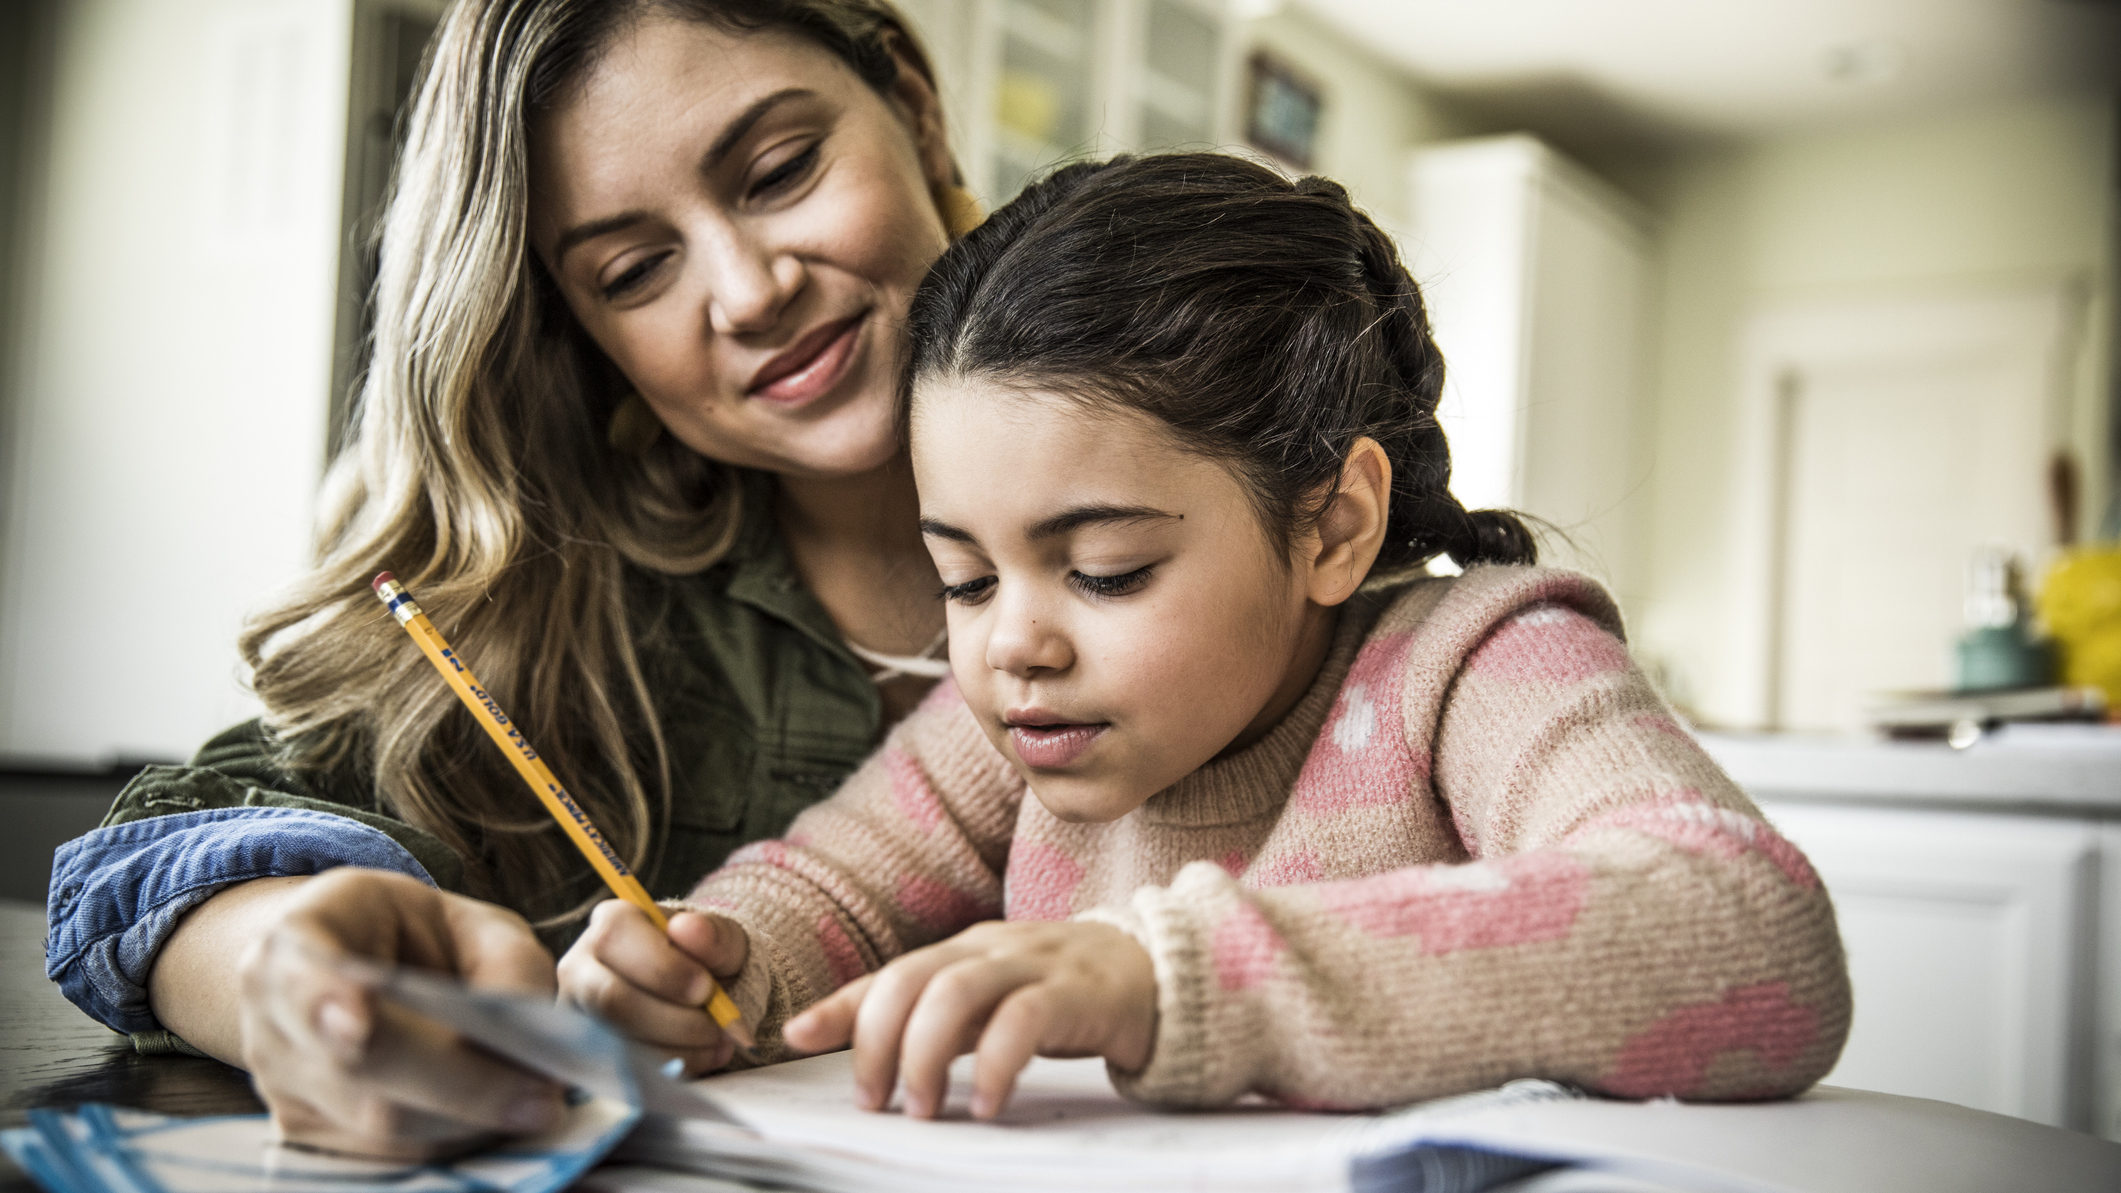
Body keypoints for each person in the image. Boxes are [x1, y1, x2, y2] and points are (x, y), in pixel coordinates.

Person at [558, 152, 1853, 1120]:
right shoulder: (1012, 726)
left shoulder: (1478, 665)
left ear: (1334, 523)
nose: (1014, 643)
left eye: (1108, 571)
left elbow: (1750, 930)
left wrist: (1168, 975)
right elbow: (824, 891)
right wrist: (713, 966)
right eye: (959, 578)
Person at [44, 0, 981, 1159]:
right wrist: (293, 976)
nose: (748, 292)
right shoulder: (576, 625)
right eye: (635, 270)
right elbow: (145, 859)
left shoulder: (1238, 433)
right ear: (578, 323)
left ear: (918, 110)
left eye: (780, 171)